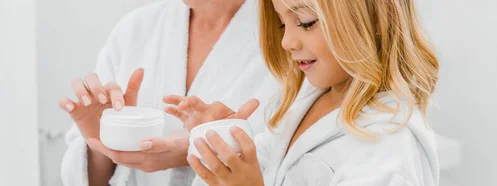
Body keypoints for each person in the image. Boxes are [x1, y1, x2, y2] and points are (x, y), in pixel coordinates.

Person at [168, 0, 441, 185]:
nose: (287, 42)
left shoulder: (389, 145)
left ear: (369, 18)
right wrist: (226, 144)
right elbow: (259, 170)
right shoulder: (303, 103)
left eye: (306, 22)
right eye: (282, 24)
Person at [57, 0, 277, 185]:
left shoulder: (289, 34)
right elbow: (83, 177)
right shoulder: (136, 29)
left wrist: (196, 151)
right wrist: (103, 141)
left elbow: (298, 172)